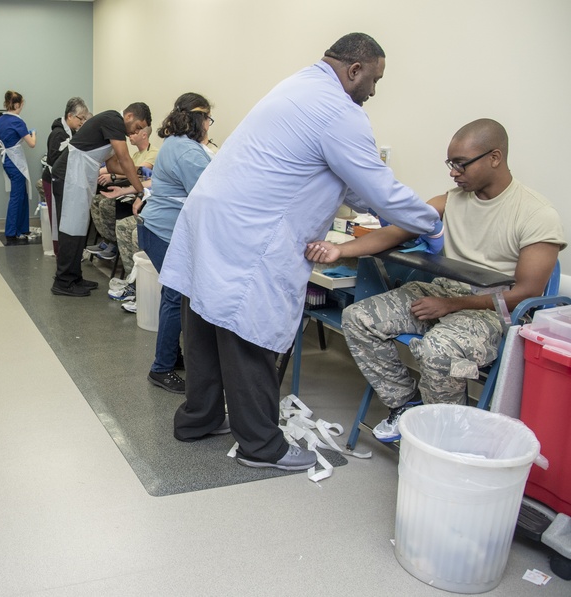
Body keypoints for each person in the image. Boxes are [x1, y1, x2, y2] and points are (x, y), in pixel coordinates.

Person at [159, 33, 442, 471]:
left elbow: (344, 180)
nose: (374, 90)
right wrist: (431, 223)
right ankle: (261, 447)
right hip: (247, 235)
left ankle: (199, 419)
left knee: (204, 324)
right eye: (375, 79)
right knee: (246, 336)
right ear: (355, 70)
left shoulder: (297, 86)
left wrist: (384, 212)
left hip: (211, 221)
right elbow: (378, 186)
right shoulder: (338, 111)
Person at [306, 118, 566, 441]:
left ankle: (445, 439)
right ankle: (406, 405)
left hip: (493, 310)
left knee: (437, 351)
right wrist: (339, 249)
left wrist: (450, 305)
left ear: (494, 158)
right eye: (451, 164)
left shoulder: (536, 214)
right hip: (443, 290)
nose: (453, 173)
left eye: (461, 164)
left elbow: (526, 293)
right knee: (358, 318)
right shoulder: (452, 200)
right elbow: (397, 230)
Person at [137, 93, 215, 394]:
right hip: (163, 231)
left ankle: (172, 354)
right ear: (199, 119)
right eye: (208, 118)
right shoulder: (187, 151)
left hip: (156, 227)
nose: (209, 124)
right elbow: (210, 192)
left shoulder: (176, 143)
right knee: (174, 294)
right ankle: (162, 368)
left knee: (175, 295)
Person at [51, 102, 151, 297]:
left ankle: (74, 276)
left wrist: (138, 172)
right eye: (138, 126)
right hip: (70, 174)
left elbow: (113, 165)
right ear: (129, 116)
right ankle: (63, 281)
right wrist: (140, 190)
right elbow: (124, 159)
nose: (136, 131)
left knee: (79, 226)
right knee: (71, 227)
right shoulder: (113, 120)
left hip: (78, 175)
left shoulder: (113, 128)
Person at [87, 125, 158, 261]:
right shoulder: (136, 155)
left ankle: (115, 246)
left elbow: (138, 172)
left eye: (133, 133)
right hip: (132, 190)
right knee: (98, 201)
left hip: (141, 194)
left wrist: (113, 176)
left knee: (109, 205)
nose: (129, 136)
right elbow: (127, 171)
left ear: (144, 135)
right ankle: (109, 242)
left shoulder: (153, 153)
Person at [42, 97, 90, 254]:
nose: (82, 122)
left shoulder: (71, 133)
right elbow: (58, 163)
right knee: (57, 220)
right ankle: (60, 253)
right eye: (80, 118)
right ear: (70, 116)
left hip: (63, 181)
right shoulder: (59, 134)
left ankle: (65, 253)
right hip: (53, 180)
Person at [0, 90, 36, 245]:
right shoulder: (18, 122)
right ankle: (12, 231)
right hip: (15, 161)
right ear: (19, 104)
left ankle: (23, 228)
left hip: (7, 161)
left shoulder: (1, 119)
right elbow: (32, 144)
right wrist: (33, 134)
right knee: (17, 196)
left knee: (21, 194)